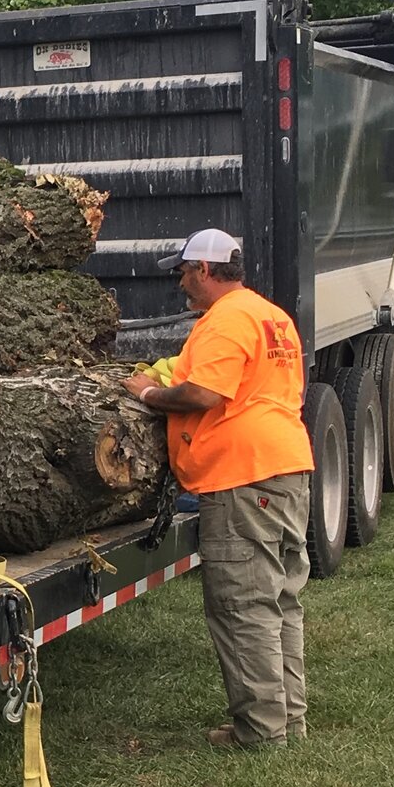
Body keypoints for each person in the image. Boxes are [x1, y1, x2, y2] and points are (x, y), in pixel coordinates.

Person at [118, 229, 314, 751]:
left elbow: (205, 392)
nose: (180, 282)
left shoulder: (226, 320)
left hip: (242, 479)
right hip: (286, 468)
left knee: (242, 606)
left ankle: (261, 734)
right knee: (278, 601)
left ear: (205, 270)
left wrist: (149, 392)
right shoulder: (270, 315)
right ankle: (287, 720)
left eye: (183, 271)